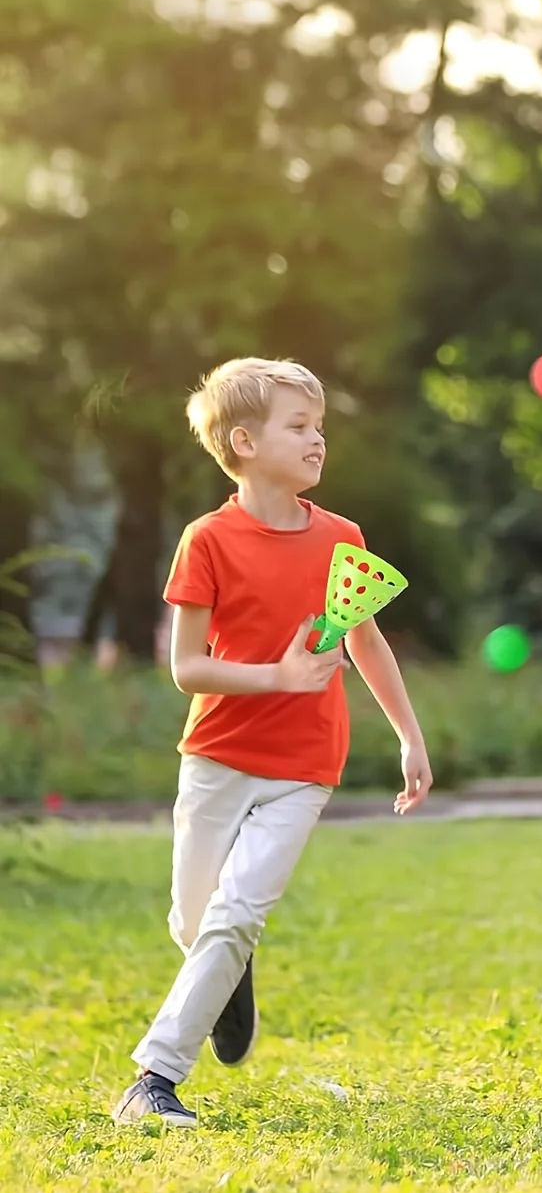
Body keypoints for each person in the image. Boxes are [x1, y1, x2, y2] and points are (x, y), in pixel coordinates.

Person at [113, 358, 432, 1129]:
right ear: (245, 441)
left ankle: (153, 1080)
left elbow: (368, 644)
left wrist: (409, 737)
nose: (318, 440)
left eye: (319, 426)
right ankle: (229, 970)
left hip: (303, 766)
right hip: (217, 755)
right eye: (299, 427)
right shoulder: (208, 540)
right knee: (195, 925)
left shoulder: (341, 538)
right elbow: (188, 667)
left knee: (234, 915)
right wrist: (280, 676)